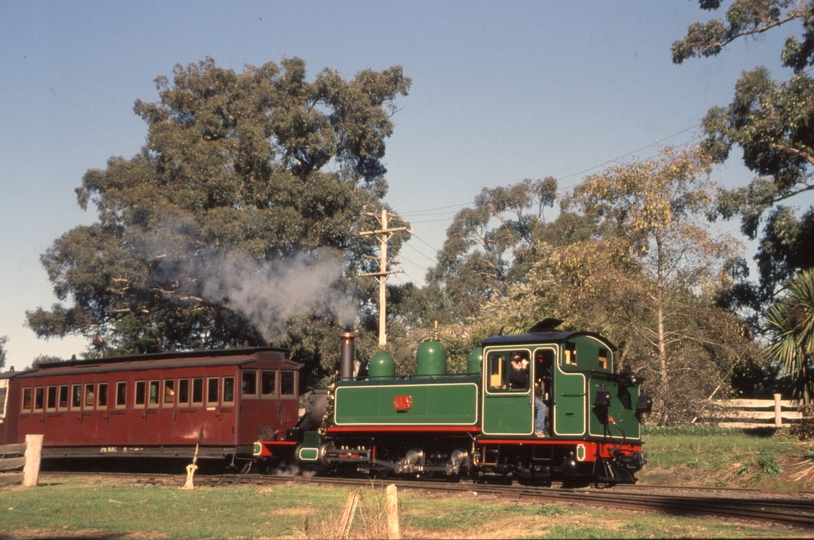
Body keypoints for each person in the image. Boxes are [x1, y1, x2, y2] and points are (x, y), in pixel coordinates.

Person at [510, 354, 548, 438]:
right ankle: (539, 430)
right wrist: (523, 367)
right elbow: (520, 381)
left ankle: (536, 428)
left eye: (520, 361)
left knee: (542, 409)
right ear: (512, 363)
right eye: (517, 362)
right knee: (542, 407)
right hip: (521, 397)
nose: (519, 363)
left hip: (529, 395)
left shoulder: (522, 370)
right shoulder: (513, 372)